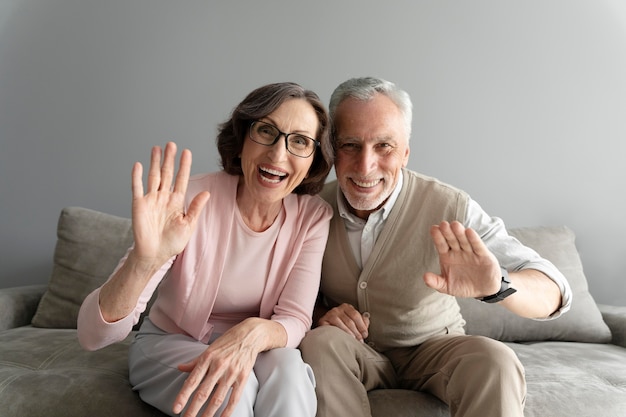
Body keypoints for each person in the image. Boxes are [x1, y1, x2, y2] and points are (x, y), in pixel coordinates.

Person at [299, 77, 572, 417]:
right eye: (351, 145)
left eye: (384, 146)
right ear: (331, 147)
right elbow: (270, 296)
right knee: (319, 343)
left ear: (406, 152)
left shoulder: (449, 206)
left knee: (495, 361)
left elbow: (555, 290)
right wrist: (320, 315)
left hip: (434, 350)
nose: (366, 165)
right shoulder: (308, 209)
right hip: (352, 351)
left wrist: (497, 284)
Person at [77, 82, 334, 417]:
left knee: (289, 371)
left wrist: (251, 333)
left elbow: (295, 318)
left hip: (258, 347)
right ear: (242, 139)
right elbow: (92, 336)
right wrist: (143, 262)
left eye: (299, 141)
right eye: (266, 131)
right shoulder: (189, 202)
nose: (277, 154)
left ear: (313, 159)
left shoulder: (313, 216)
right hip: (171, 344)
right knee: (230, 394)